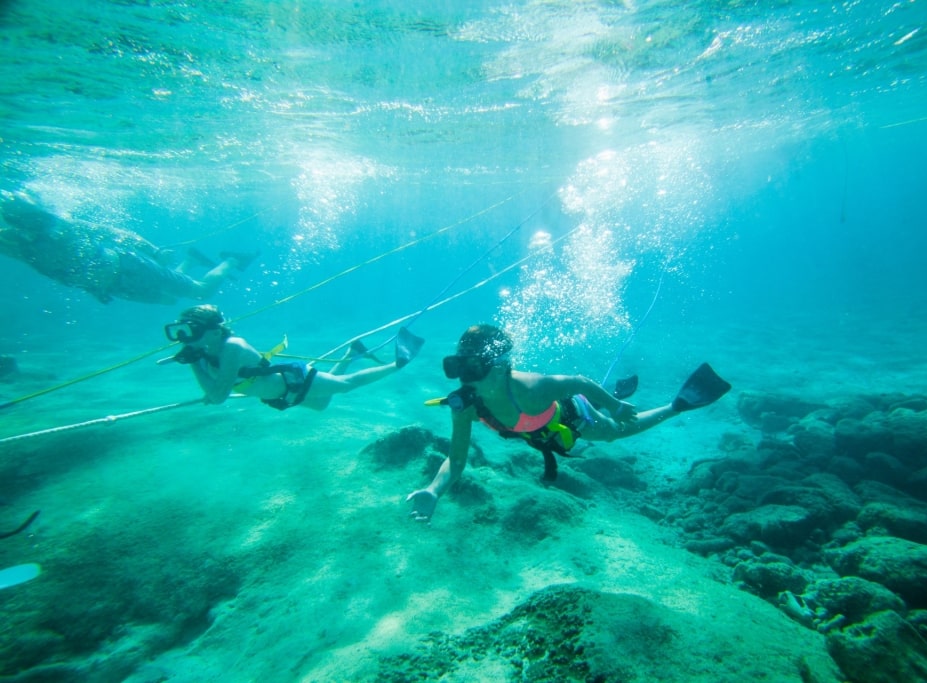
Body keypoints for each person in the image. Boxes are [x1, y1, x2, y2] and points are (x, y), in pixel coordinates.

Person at [406, 324, 731, 523]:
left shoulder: (534, 389)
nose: (466, 379)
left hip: (570, 414)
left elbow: (580, 382)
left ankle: (677, 405)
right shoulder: (465, 405)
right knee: (594, 430)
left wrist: (615, 406)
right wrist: (435, 490)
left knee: (614, 434)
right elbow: (457, 458)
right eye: (459, 368)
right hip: (533, 433)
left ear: (501, 367)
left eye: (474, 368)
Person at [0, 192, 255, 304]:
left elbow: (113, 233)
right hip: (108, 285)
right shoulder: (17, 245)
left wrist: (153, 251)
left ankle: (231, 260)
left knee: (200, 293)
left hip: (128, 266)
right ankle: (190, 260)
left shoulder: (62, 226)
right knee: (168, 300)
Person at [164, 304, 424, 411]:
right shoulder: (205, 349)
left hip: (292, 382)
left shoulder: (231, 347)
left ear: (213, 330)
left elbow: (218, 396)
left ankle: (398, 363)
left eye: (192, 331)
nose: (185, 337)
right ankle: (352, 352)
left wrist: (194, 366)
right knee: (323, 405)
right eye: (182, 331)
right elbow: (217, 390)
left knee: (346, 386)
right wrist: (197, 360)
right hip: (277, 393)